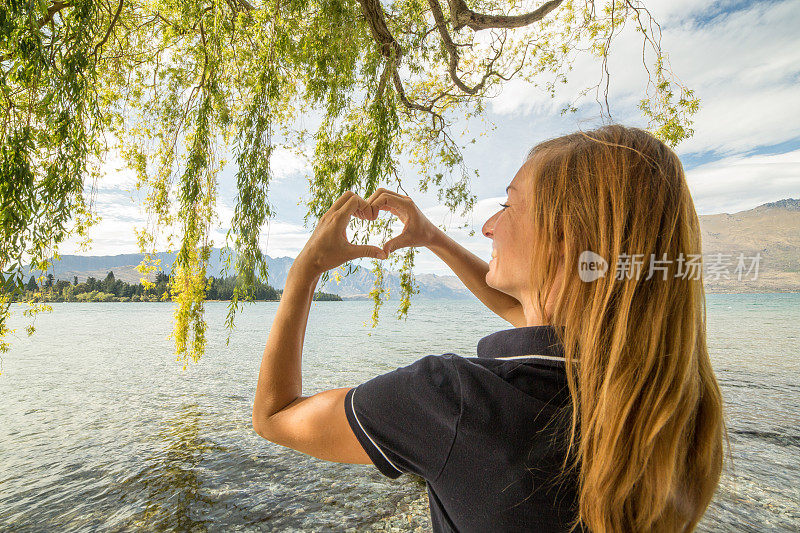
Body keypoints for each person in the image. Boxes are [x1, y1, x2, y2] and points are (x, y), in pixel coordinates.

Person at [251, 125, 726, 532]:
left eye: (509, 204)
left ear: (567, 238)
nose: (488, 226)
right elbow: (538, 312)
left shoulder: (451, 401)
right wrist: (430, 237)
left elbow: (275, 417)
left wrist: (304, 272)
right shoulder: (662, 399)